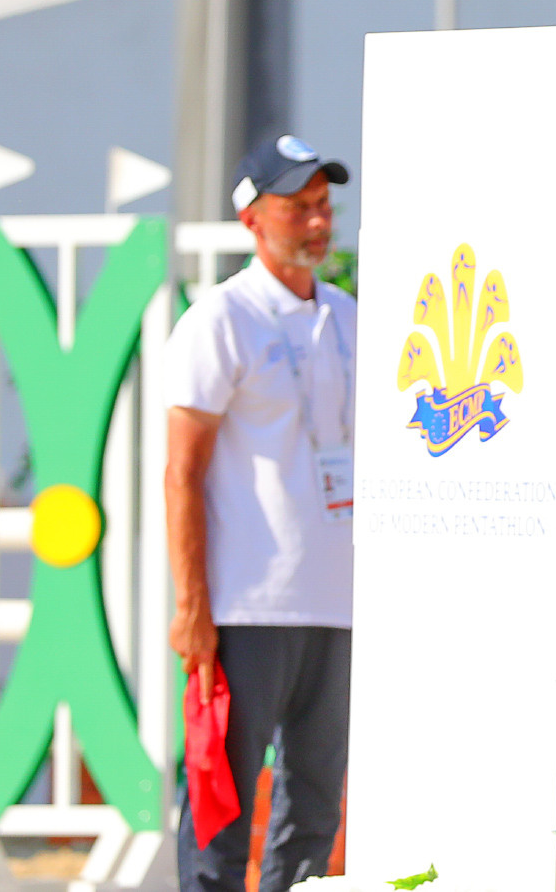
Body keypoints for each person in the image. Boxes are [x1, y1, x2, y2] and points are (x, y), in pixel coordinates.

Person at [162, 135, 357, 892]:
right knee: (221, 806)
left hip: (335, 601)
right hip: (245, 602)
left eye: (323, 205)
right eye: (298, 207)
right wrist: (192, 607)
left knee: (313, 808)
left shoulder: (347, 315)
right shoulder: (221, 318)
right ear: (252, 218)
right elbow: (182, 471)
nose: (317, 221)